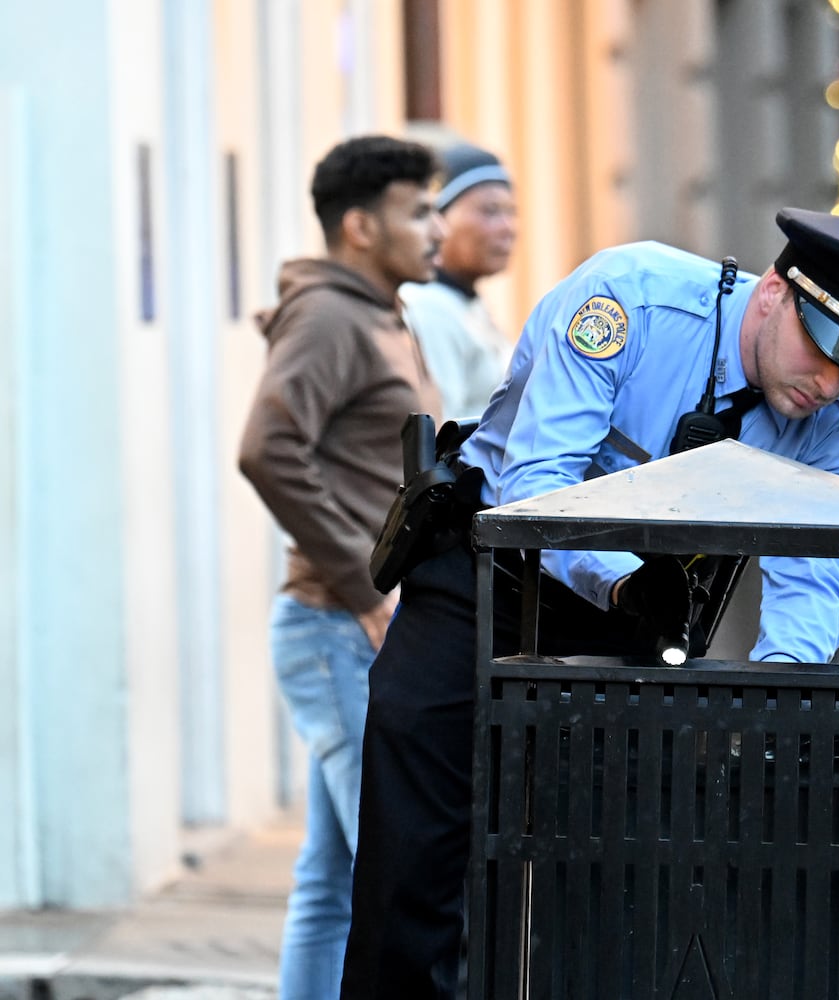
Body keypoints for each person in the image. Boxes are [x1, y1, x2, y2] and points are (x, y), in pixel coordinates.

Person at [340, 207, 839, 999]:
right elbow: (537, 486)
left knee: (609, 876)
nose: (829, 382)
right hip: (488, 577)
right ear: (773, 292)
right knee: (415, 856)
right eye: (826, 348)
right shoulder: (629, 301)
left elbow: (819, 570)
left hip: (643, 620)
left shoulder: (831, 416)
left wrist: (775, 696)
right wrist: (625, 580)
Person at [237, 134, 445, 1000]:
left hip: (362, 629)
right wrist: (365, 590)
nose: (437, 228)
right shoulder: (329, 316)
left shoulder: (381, 313)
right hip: (338, 629)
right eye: (419, 210)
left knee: (334, 878)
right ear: (360, 225)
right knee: (395, 873)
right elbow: (267, 449)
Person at [400, 141, 519, 418]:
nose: (508, 228)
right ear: (438, 221)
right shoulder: (428, 309)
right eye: (490, 211)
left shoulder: (462, 301)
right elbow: (440, 439)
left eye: (511, 212)